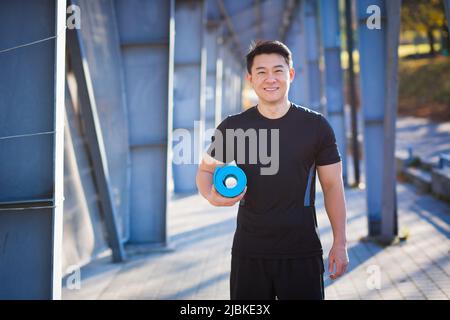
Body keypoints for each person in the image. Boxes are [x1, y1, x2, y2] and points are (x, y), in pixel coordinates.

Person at [196, 40, 349, 300]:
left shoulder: (316, 127)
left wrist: (340, 242)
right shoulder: (233, 127)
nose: (271, 79)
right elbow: (205, 170)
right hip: (249, 251)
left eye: (278, 70)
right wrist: (211, 196)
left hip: (302, 251)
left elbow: (333, 185)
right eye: (261, 72)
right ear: (250, 78)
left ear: (290, 74)